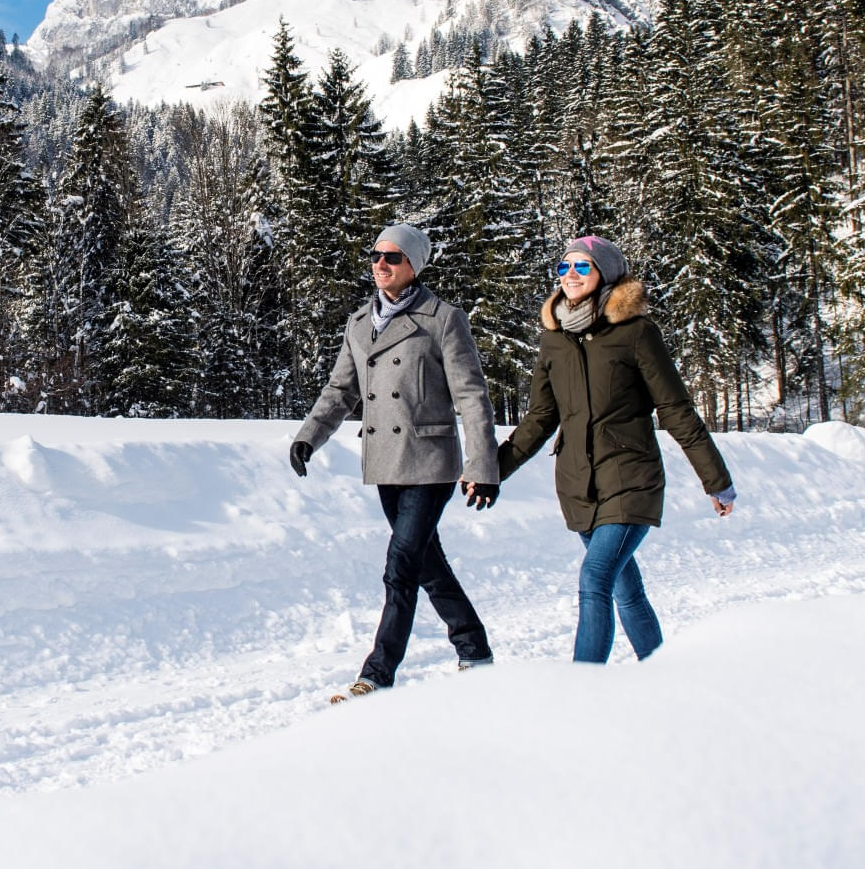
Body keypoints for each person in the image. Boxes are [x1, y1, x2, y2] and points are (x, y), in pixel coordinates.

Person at [473, 235, 736, 664]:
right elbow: (540, 418)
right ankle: (662, 672)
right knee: (625, 590)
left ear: (605, 274)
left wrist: (716, 481)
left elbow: (675, 410)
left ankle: (583, 688)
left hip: (631, 478)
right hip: (578, 485)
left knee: (595, 578)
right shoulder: (554, 339)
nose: (570, 275)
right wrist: (492, 471)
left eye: (582, 266)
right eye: (564, 267)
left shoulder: (636, 333)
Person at [289, 223, 499, 700]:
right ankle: (474, 649)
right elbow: (342, 389)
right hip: (384, 460)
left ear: (414, 265)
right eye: (376, 254)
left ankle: (378, 674)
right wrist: (309, 438)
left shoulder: (443, 318)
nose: (381, 264)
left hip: (430, 460)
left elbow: (471, 395)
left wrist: (483, 466)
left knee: (399, 565)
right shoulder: (360, 322)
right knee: (427, 563)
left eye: (393, 257)